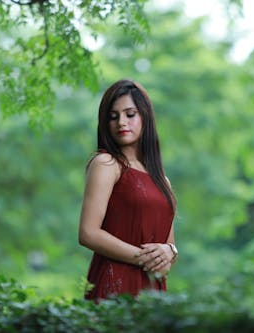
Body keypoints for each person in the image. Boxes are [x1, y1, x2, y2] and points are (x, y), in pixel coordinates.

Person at [78, 79, 178, 301]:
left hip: (153, 290)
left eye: (130, 114)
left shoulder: (162, 181)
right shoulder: (106, 164)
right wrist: (143, 258)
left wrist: (171, 252)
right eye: (113, 117)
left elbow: (167, 248)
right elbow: (88, 233)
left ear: (145, 117)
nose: (121, 122)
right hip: (115, 283)